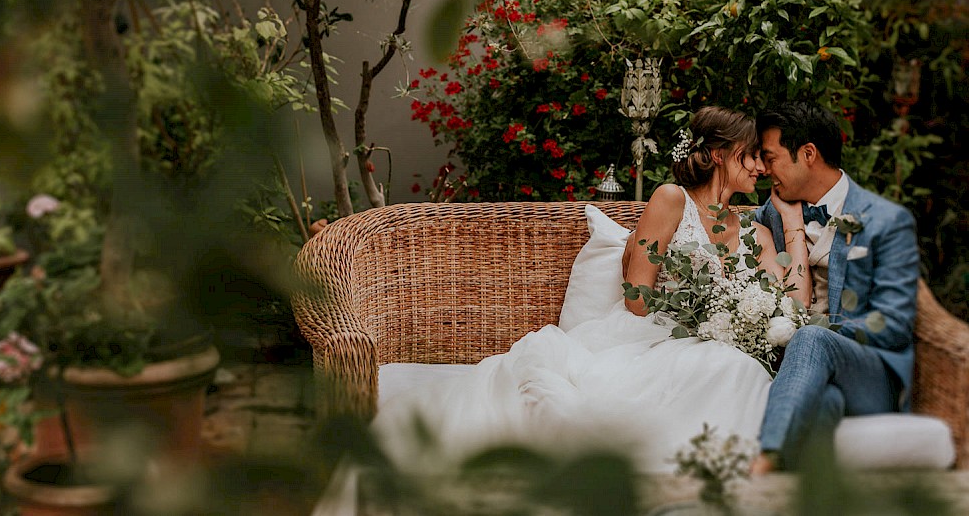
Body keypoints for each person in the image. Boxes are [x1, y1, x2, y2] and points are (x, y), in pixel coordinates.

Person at [372, 106, 807, 474]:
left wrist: (792, 222)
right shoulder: (672, 199)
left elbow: (796, 308)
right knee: (720, 368)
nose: (760, 167)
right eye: (750, 155)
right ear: (717, 154)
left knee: (739, 369)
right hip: (652, 336)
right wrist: (701, 315)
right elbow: (637, 299)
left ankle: (708, 472)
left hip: (720, 346)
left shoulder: (754, 232)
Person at [750, 101, 919, 473]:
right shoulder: (772, 214)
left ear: (808, 154)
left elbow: (892, 324)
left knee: (812, 338)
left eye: (770, 157)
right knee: (824, 403)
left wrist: (824, 332)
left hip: (872, 374)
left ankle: (762, 463)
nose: (762, 169)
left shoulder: (887, 222)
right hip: (808, 377)